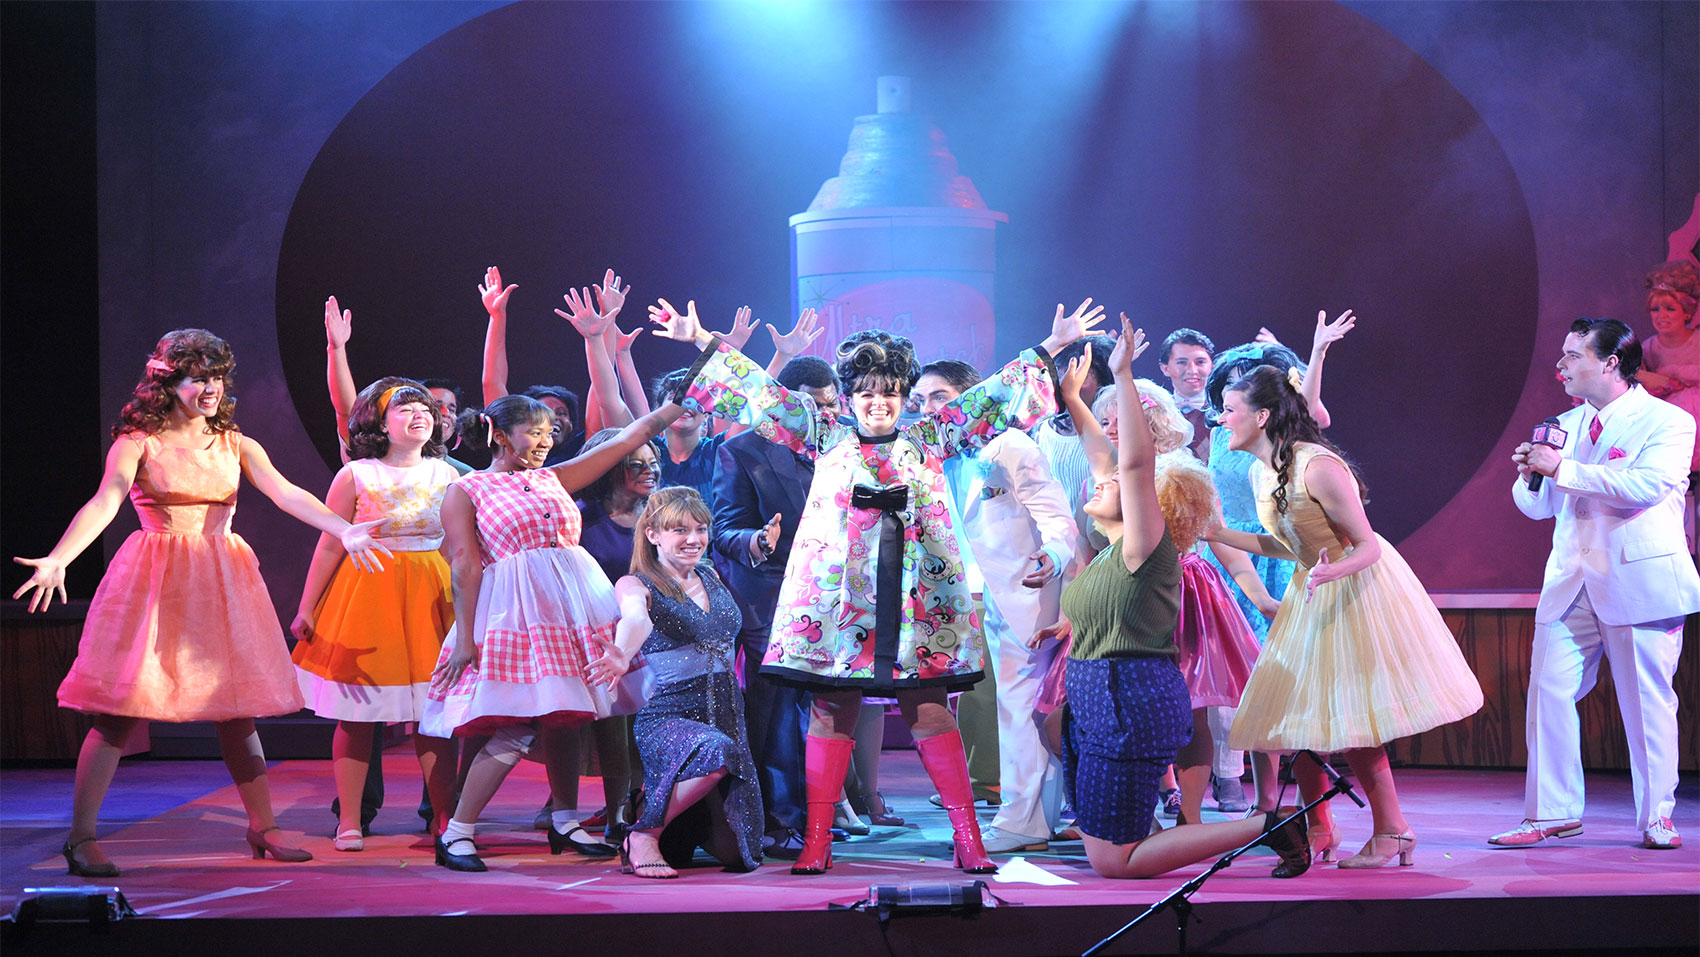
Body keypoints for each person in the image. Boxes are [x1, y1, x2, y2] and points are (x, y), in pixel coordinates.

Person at [649, 293, 1107, 873]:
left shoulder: (933, 437)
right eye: (865, 392)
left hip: (918, 603)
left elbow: (996, 395)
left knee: (930, 711)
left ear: (902, 396)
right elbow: (755, 391)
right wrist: (698, 339)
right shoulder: (822, 432)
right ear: (848, 397)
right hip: (841, 604)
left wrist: (1052, 345)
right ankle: (817, 839)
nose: (877, 402)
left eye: (888, 392)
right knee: (831, 709)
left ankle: (968, 838)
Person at [13, 329, 391, 875]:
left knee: (236, 714)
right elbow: (106, 500)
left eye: (216, 376)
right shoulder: (138, 441)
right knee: (119, 714)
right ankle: (82, 836)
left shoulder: (236, 443)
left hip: (221, 580)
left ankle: (264, 827)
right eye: (197, 377)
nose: (210, 387)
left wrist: (343, 528)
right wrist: (60, 558)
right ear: (167, 381)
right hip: (155, 581)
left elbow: (286, 493)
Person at [1031, 316, 1310, 879]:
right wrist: (1070, 397)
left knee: (1112, 863)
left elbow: (1133, 464)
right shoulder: (1113, 550)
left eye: (1115, 484)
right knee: (1100, 830)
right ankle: (1164, 831)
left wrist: (1126, 375)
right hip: (1100, 701)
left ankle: (1269, 825)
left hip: (1128, 702)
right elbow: (1105, 455)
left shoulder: (1145, 552)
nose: (1101, 478)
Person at [1206, 364, 1483, 869]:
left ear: (1262, 416)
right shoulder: (1261, 469)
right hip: (1313, 588)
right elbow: (1287, 543)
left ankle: (1393, 829)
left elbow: (1367, 545)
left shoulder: (1318, 467)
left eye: (1229, 411)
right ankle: (1320, 826)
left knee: (1347, 717)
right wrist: (1218, 534)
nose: (1220, 420)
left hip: (1352, 589)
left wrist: (1331, 575)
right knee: (1301, 718)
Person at [422, 383, 687, 871]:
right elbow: (463, 566)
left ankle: (565, 821)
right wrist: (465, 637)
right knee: (516, 724)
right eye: (533, 432)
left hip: (571, 608)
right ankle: (457, 831)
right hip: (513, 613)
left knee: (565, 714)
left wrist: (678, 404)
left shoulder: (554, 478)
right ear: (500, 435)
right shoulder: (468, 490)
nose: (545, 440)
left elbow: (629, 437)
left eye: (548, 432)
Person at [1493, 317, 1699, 850]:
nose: (1559, 364)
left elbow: (1645, 487)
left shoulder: (1668, 422)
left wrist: (1562, 468)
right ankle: (1551, 812)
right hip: (1571, 579)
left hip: (1639, 580)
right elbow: (1540, 508)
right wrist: (1531, 476)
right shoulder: (1563, 423)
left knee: (1646, 702)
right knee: (1549, 692)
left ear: (1610, 362)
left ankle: (1657, 816)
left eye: (1572, 354)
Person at [914, 358, 1079, 853]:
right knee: (1017, 706)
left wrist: (1051, 557)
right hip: (965, 593)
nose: (928, 409)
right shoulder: (928, 451)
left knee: (1021, 705)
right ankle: (1035, 819)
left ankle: (1022, 822)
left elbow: (1056, 515)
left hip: (1024, 590)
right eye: (921, 400)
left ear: (973, 399)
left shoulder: (1011, 444)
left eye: (939, 397)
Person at [290, 377, 460, 850]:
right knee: (357, 713)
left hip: (431, 595)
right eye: (404, 410)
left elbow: (461, 546)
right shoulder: (357, 475)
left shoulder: (448, 475)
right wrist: (307, 607)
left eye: (424, 408)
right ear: (379, 423)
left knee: (435, 711)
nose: (419, 416)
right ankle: (349, 819)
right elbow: (329, 544)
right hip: (369, 593)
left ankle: (444, 817)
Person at [1199, 310, 1353, 814]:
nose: (1228, 402)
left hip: (1281, 560)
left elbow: (1312, 412)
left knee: (1282, 685)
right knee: (1241, 688)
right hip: (1227, 560)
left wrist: (1312, 354)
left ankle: (1288, 804)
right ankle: (1253, 796)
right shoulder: (1223, 433)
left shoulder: (1288, 440)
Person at [589, 487, 766, 877]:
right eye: (679, 530)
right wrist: (622, 651)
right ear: (652, 534)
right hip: (670, 718)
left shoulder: (711, 574)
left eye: (700, 529)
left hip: (727, 718)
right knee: (715, 752)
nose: (693, 540)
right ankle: (644, 832)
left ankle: (663, 811)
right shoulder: (635, 584)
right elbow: (636, 618)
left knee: (741, 855)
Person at [711, 355, 839, 857]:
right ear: (787, 404)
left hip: (837, 594)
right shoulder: (742, 449)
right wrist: (758, 543)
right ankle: (782, 820)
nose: (827, 416)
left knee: (827, 709)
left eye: (833, 405)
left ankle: (822, 814)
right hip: (771, 590)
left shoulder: (847, 444)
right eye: (816, 407)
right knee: (781, 710)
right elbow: (725, 529)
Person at [1638, 260, 1700, 553]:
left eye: (1670, 308)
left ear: (1686, 310)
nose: (1662, 315)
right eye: (1656, 309)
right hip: (1671, 432)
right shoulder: (1650, 348)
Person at [1156, 328, 1216, 463]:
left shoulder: (1223, 413)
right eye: (1182, 362)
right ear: (1165, 368)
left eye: (1200, 362)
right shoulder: (1155, 413)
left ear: (1212, 366)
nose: (1192, 370)